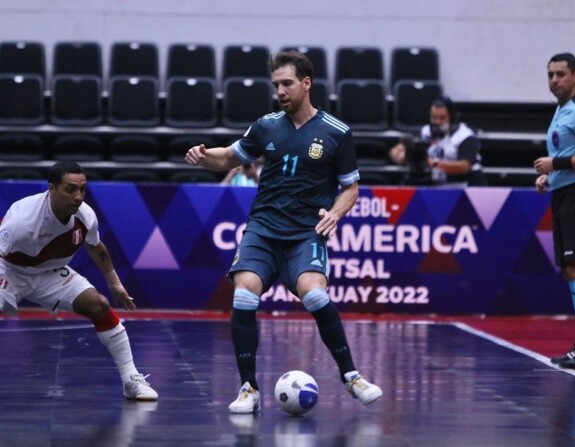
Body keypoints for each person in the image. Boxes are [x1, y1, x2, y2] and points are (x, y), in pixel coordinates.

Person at [185, 50, 382, 413]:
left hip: (305, 233)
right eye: (276, 85)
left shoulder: (337, 133)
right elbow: (230, 157)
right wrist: (203, 154)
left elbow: (351, 188)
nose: (280, 91)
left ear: (306, 84)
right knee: (244, 295)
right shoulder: (266, 126)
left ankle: (352, 377)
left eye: (287, 83)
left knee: (315, 296)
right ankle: (249, 389)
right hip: (263, 229)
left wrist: (335, 214)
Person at [0, 161, 158, 400]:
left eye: (82, 189)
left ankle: (130, 379)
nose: (78, 197)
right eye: (70, 189)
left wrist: (114, 283)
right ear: (51, 189)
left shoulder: (85, 216)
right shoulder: (22, 221)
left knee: (99, 305)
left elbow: (96, 247)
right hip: (9, 269)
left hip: (49, 273)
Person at [533, 52, 575, 369]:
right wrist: (551, 176)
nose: (555, 80)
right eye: (551, 75)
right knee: (571, 268)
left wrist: (555, 164)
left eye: (561, 74)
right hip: (565, 192)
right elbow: (574, 155)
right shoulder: (562, 112)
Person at [389, 96, 487, 186]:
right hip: (441, 183)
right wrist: (399, 155)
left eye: (442, 118)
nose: (437, 122)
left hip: (467, 183)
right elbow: (396, 150)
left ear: (452, 118)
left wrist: (434, 163)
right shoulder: (426, 131)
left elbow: (464, 166)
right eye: (434, 118)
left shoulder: (465, 135)